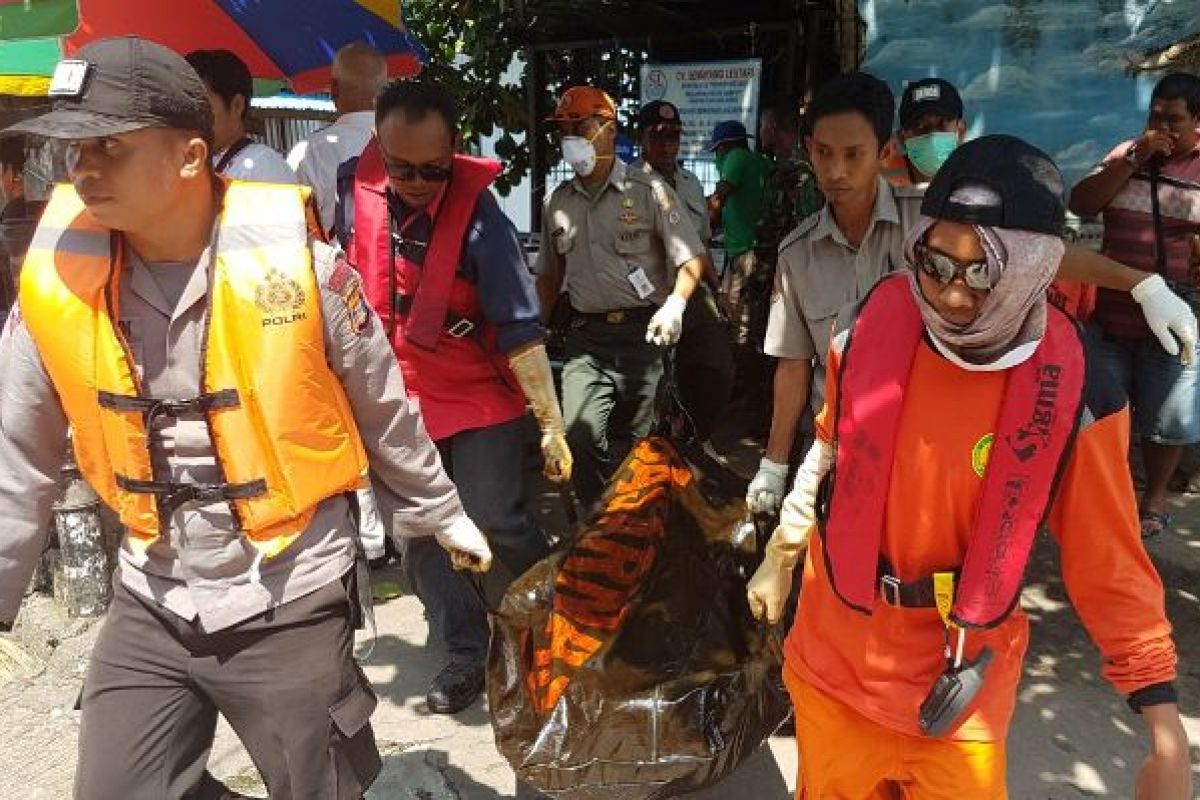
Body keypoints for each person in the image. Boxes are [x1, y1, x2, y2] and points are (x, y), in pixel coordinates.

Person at [0, 37, 492, 799]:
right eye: (71, 149)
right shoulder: (58, 283)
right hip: (153, 592)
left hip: (288, 589)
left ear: (192, 156)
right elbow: (17, 460)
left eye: (109, 146)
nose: (82, 170)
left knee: (319, 787)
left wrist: (437, 510)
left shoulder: (305, 270)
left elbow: (382, 404)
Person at [746, 134, 1192, 799]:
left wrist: (1163, 722)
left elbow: (1111, 563)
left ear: (1035, 269)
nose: (954, 294)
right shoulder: (867, 325)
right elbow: (830, 446)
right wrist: (781, 552)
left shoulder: (1078, 394)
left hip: (963, 690)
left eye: (983, 270)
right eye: (936, 263)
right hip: (834, 667)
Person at [746, 71, 1199, 516]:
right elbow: (793, 366)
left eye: (852, 154)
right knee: (829, 570)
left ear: (883, 151)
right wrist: (773, 462)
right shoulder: (797, 254)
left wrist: (1141, 283)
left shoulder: (932, 221)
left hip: (930, 449)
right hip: (837, 450)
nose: (836, 171)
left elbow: (1038, 257)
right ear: (808, 150)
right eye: (824, 154)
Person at [336, 79, 569, 715]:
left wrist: (550, 424)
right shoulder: (352, 196)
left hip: (476, 402)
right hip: (395, 402)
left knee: (495, 521)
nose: (414, 181)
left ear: (456, 150)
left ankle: (539, 633)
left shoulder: (481, 221)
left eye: (432, 170)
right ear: (379, 145)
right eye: (400, 166)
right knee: (420, 540)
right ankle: (466, 651)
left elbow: (521, 331)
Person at [535, 86, 707, 507]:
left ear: (610, 131)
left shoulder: (647, 190)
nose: (572, 138)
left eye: (583, 127)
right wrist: (535, 333)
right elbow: (548, 277)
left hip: (643, 336)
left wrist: (676, 304)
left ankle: (631, 524)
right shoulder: (557, 202)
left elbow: (691, 260)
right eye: (565, 130)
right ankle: (600, 521)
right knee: (579, 434)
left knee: (639, 446)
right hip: (585, 340)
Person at [1068, 72, 1200, 539]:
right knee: (1109, 409)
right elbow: (1082, 202)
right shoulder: (1126, 154)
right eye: (1154, 116)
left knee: (1167, 417)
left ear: (1198, 124)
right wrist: (1133, 158)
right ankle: (1115, 493)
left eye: (1174, 119)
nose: (1162, 126)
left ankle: (1155, 497)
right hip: (1113, 308)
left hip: (1176, 312)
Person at [631, 99, 733, 442]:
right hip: (649, 297)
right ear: (640, 138)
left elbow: (698, 246)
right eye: (658, 136)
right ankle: (655, 455)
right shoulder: (628, 185)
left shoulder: (689, 182)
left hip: (693, 292)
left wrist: (717, 291)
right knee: (656, 386)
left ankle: (693, 440)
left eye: (674, 136)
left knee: (718, 368)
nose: (668, 144)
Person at [289, 42, 388, 236]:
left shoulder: (308, 152)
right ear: (382, 91)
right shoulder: (407, 144)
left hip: (333, 263)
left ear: (334, 87)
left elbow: (291, 228)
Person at [705, 119, 770, 366]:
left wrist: (697, 226)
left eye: (717, 151)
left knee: (737, 319)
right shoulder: (758, 162)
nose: (717, 158)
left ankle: (738, 381)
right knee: (745, 315)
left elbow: (718, 199)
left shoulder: (737, 158)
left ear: (727, 145)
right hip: (749, 249)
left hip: (746, 251)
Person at [185, 48, 296, 184]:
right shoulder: (197, 164)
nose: (191, 114)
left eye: (201, 103)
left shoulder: (263, 166)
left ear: (237, 105)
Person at [884, 77, 966, 188]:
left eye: (942, 125)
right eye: (920, 127)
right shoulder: (880, 190)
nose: (932, 138)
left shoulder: (980, 186)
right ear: (902, 138)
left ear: (960, 131)